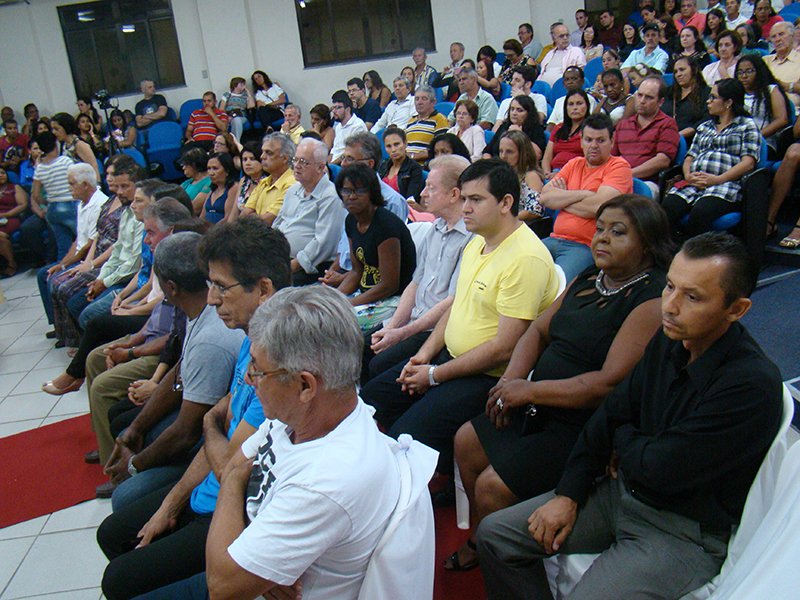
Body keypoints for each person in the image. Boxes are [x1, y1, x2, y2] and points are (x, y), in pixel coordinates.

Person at [476, 232, 782, 600]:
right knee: (495, 536)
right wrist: (568, 494)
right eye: (669, 286)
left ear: (737, 309)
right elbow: (612, 411)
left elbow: (660, 467)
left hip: (681, 529)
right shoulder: (671, 338)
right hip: (621, 493)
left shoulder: (750, 384)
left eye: (692, 297)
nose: (669, 305)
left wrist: (623, 440)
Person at [129, 284, 437, 600]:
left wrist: (235, 481)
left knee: (123, 581)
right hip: (254, 561)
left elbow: (222, 585)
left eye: (258, 370)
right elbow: (236, 461)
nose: (248, 380)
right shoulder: (313, 411)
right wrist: (266, 559)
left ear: (305, 385)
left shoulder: (325, 482)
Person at [445, 195, 671, 572]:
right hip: (537, 400)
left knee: (492, 486)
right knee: (465, 441)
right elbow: (537, 330)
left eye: (618, 232)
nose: (601, 239)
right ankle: (485, 540)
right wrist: (510, 382)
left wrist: (527, 390)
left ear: (648, 243)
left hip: (585, 423)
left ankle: (495, 550)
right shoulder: (589, 278)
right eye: (599, 229)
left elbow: (606, 384)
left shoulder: (651, 299)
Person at [94, 218, 291, 600]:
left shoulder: (279, 355)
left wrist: (210, 423)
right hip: (213, 488)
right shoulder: (249, 338)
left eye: (220, 286)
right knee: (114, 532)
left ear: (263, 289)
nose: (212, 298)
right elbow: (218, 429)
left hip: (240, 509)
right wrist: (171, 504)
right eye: (210, 284)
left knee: (120, 580)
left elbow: (231, 460)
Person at [360, 158, 559, 475]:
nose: (465, 207)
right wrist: (423, 357)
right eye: (464, 198)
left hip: (486, 376)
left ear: (506, 202)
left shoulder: (525, 258)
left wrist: (435, 375)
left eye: (476, 200)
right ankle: (431, 467)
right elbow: (456, 306)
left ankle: (437, 480)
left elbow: (504, 347)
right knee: (373, 397)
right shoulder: (479, 240)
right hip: (448, 356)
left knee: (405, 434)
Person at [101, 231, 246, 509]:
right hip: (200, 419)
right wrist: (135, 428)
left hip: (212, 440)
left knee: (126, 497)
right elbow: (180, 371)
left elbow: (186, 433)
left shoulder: (211, 336)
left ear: (171, 287)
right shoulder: (196, 309)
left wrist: (133, 466)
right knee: (125, 424)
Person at [364, 154, 473, 381]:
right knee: (360, 347)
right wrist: (392, 328)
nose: (422, 194)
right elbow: (416, 282)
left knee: (376, 365)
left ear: (454, 194)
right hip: (413, 320)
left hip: (433, 330)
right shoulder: (435, 228)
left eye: (431, 188)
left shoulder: (472, 238)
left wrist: (401, 333)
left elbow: (450, 302)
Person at [662, 78, 761, 239]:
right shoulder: (705, 126)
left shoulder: (746, 125)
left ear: (728, 102)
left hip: (725, 185)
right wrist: (688, 175)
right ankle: (669, 255)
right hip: (694, 182)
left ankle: (694, 258)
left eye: (713, 97)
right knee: (667, 209)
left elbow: (749, 163)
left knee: (701, 213)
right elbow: (690, 157)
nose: (708, 101)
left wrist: (718, 179)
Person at [541, 113, 634, 281]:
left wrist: (563, 200)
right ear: (582, 141)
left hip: (586, 246)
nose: (594, 145)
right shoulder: (574, 164)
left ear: (612, 142)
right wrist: (584, 194)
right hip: (553, 239)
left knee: (555, 286)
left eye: (601, 140)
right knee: (514, 270)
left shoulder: (619, 167)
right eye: (589, 139)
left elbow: (600, 207)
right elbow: (545, 197)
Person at [335, 161, 416, 330]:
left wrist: (348, 304)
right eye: (346, 191)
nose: (351, 196)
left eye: (359, 191)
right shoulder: (351, 220)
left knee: (336, 325)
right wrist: (336, 298)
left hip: (394, 299)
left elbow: (389, 285)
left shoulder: (386, 225)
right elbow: (357, 271)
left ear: (371, 192)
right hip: (365, 295)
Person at [274, 138, 346, 286]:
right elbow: (277, 224)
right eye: (295, 160)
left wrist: (290, 267)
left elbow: (323, 243)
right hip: (280, 259)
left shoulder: (331, 196)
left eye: (304, 162)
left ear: (320, 167)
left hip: (308, 268)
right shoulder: (292, 191)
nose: (296, 166)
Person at [613, 76, 681, 195]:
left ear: (661, 102)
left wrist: (628, 174)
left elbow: (663, 161)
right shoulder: (623, 125)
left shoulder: (667, 124)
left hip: (647, 183)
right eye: (639, 95)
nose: (642, 100)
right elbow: (610, 156)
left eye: (649, 97)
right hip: (619, 179)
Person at [28, 130, 78, 262]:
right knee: (83, 239)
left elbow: (36, 194)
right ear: (56, 144)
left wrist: (48, 202)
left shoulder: (39, 168)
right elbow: (76, 181)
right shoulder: (65, 161)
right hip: (70, 205)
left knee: (63, 247)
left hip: (52, 209)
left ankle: (62, 274)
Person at [737, 53, 790, 151]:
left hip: (764, 143)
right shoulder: (736, 93)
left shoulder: (771, 90)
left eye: (749, 71)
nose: (744, 76)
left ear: (759, 71)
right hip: (738, 141)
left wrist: (755, 136)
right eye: (740, 72)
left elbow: (782, 120)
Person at [241, 133, 296, 225]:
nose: (262, 156)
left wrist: (254, 215)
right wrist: (256, 217)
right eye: (263, 152)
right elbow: (243, 216)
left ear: (285, 158)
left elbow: (267, 220)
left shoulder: (292, 184)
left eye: (269, 153)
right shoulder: (263, 182)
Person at [498, 130, 545, 223]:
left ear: (522, 153)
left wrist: (504, 220)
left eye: (509, 152)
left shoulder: (531, 176)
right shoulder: (500, 176)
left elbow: (534, 211)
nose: (503, 156)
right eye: (501, 151)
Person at [543, 89, 591, 176]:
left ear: (587, 106)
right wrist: (547, 174)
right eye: (571, 104)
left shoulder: (591, 129)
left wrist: (562, 174)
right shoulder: (558, 128)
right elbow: (547, 158)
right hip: (553, 174)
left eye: (579, 103)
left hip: (578, 174)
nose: (575, 108)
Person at [484, 95, 547, 160]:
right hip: (498, 165)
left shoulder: (536, 129)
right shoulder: (505, 126)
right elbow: (488, 151)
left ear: (529, 113)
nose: (514, 113)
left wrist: (520, 134)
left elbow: (537, 154)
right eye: (512, 109)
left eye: (519, 110)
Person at [664, 55, 712, 137]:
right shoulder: (669, 91)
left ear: (694, 70)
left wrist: (679, 136)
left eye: (682, 70)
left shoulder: (706, 92)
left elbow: (706, 120)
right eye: (676, 71)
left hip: (692, 139)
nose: (678, 74)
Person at [378, 126, 425, 203]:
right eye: (388, 146)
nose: (393, 150)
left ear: (405, 143)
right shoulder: (383, 165)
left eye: (397, 144)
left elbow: (411, 201)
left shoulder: (414, 168)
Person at [404, 85, 450, 164]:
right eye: (417, 99)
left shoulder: (439, 119)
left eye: (424, 99)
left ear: (433, 102)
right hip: (406, 166)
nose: (420, 102)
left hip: (424, 167)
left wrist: (413, 156)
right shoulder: (411, 121)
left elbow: (442, 150)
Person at [546, 67, 598, 132]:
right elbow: (551, 123)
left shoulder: (589, 99)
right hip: (559, 135)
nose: (570, 82)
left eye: (574, 79)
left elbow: (589, 123)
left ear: (582, 81)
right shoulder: (559, 101)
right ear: (564, 84)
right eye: (567, 80)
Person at [51, 112, 99, 179]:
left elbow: (94, 166)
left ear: (66, 127)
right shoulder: (63, 145)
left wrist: (96, 186)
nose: (53, 132)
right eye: (52, 129)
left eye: (56, 129)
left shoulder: (79, 144)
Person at [765, 22, 800, 111]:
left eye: (781, 34)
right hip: (765, 110)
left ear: (792, 36)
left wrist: (787, 86)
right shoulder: (764, 61)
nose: (777, 39)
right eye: (774, 37)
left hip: (792, 112)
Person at [0, 166, 28, 276]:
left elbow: (23, 205)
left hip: (10, 218)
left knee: (0, 236)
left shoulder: (14, 187)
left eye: (3, 173)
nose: (1, 175)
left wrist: (5, 214)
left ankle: (11, 265)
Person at [197, 152, 239, 224]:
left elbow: (228, 218)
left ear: (227, 171)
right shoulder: (212, 190)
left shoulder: (233, 188)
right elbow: (202, 216)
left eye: (215, 168)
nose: (211, 173)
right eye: (209, 168)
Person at [329, 91, 367, 164]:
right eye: (333, 108)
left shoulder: (358, 125)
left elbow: (351, 152)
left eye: (338, 107)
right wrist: (326, 165)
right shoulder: (338, 127)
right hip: (335, 165)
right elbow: (334, 150)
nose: (334, 111)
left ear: (347, 109)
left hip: (347, 164)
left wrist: (331, 165)